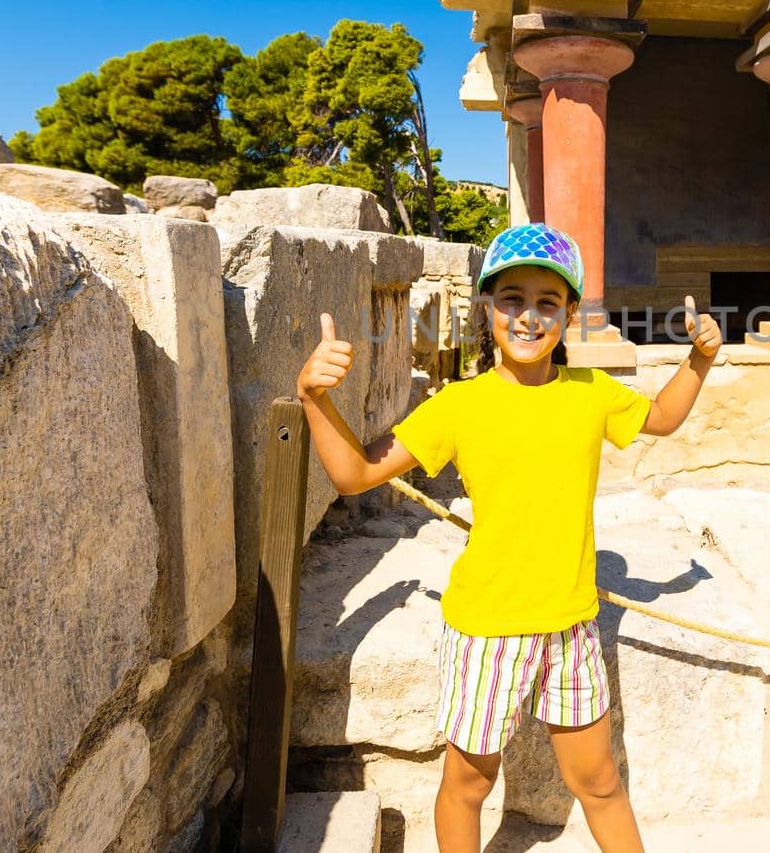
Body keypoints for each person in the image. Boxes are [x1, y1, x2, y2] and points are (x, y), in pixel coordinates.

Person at [296, 221, 721, 853]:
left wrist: (700, 359)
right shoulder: (459, 406)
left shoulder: (591, 393)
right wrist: (312, 396)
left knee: (599, 781)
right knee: (468, 783)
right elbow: (355, 473)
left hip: (571, 628)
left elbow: (659, 417)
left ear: (570, 314)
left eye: (548, 302)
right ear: (487, 309)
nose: (528, 316)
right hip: (488, 631)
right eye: (512, 299)